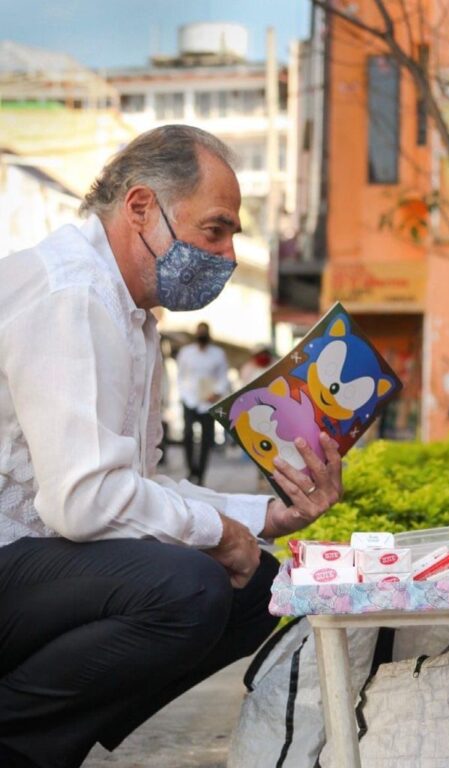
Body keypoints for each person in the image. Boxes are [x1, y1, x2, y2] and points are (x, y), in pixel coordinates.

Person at [0, 124, 342, 768]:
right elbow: (85, 501)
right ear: (140, 207)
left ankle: (45, 739)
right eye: (215, 229)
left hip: (32, 564)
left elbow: (135, 483)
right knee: (189, 588)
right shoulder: (72, 294)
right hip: (12, 555)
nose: (228, 255)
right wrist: (217, 533)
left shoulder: (132, 316)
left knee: (260, 587)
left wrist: (267, 518)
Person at [177, 321, 230, 484]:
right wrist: (184, 395)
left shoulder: (218, 354)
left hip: (208, 402)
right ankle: (191, 470)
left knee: (207, 439)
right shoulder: (186, 352)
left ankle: (201, 474)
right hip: (189, 399)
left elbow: (223, 377)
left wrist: (217, 393)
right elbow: (180, 376)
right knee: (188, 435)